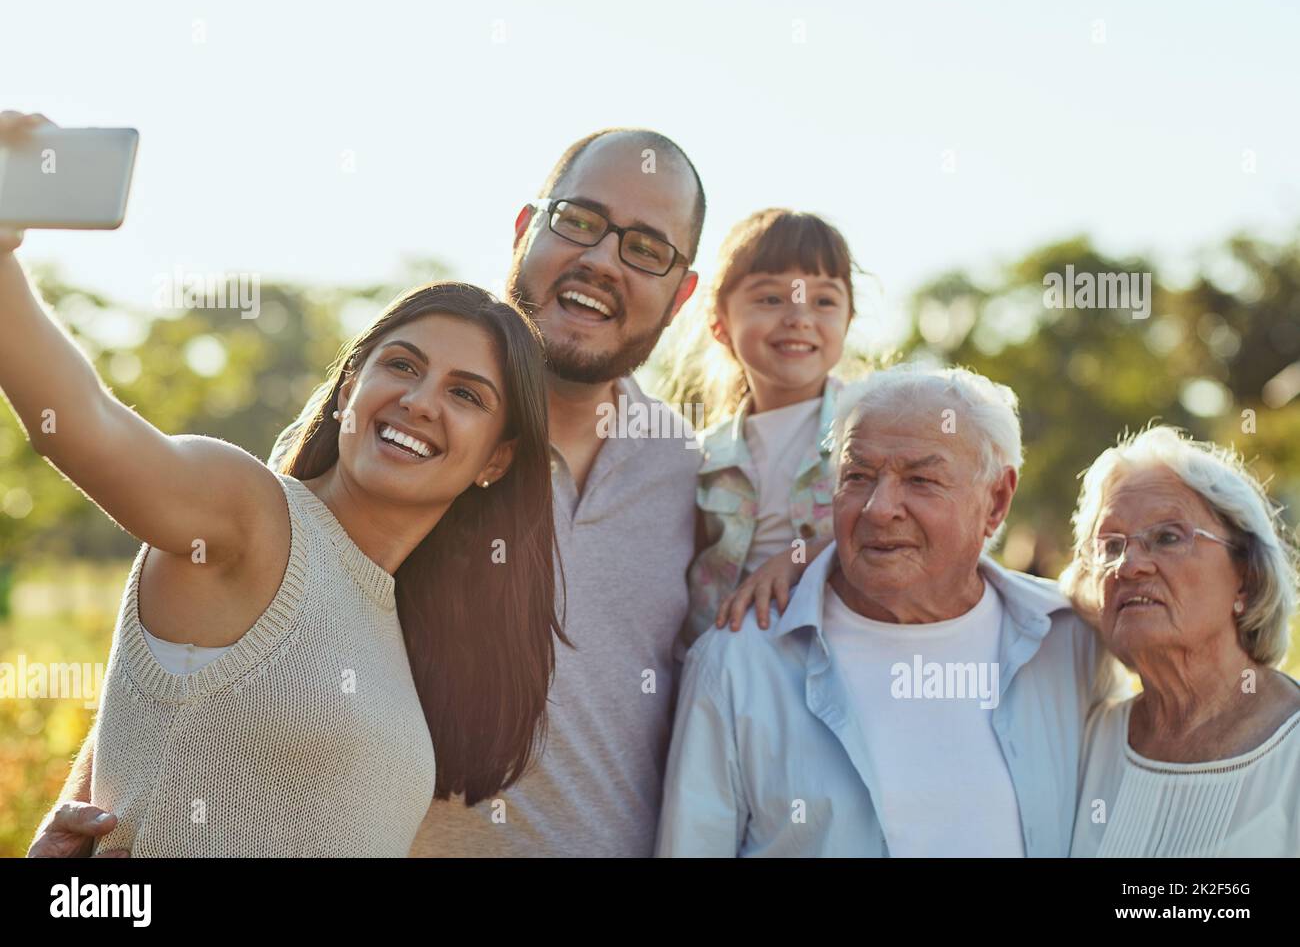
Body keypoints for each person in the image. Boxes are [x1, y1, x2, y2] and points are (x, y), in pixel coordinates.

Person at [9, 112, 564, 856]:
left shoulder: (400, 623)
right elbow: (78, 423)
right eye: (401, 365)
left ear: (496, 460)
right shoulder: (249, 515)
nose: (422, 400)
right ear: (346, 393)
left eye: (467, 394)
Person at [266, 128, 707, 856]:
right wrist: (97, 810)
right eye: (580, 221)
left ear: (682, 293)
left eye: (646, 249)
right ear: (523, 229)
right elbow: (215, 635)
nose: (601, 260)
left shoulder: (695, 475)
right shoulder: (396, 437)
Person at [656, 364, 1120, 856]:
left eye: (921, 479)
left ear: (996, 502)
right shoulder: (738, 661)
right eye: (858, 476)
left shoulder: (1071, 638)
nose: (879, 508)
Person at [1061, 426, 1300, 857]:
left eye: (1168, 537)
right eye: (1111, 545)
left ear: (1245, 575)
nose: (1129, 566)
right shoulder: (1086, 741)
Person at [662, 209, 861, 652]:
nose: (798, 317)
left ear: (848, 320)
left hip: (839, 658)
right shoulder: (703, 455)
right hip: (724, 675)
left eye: (824, 301)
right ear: (720, 323)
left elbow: (890, 530)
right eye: (770, 299)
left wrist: (798, 560)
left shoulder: (871, 430)